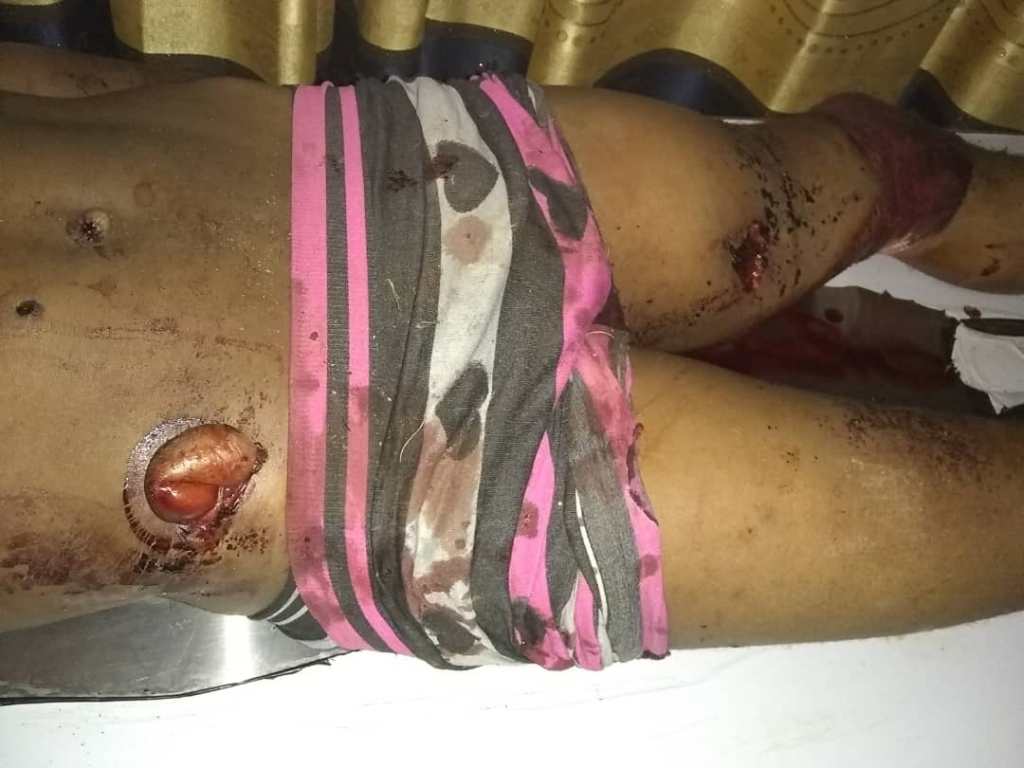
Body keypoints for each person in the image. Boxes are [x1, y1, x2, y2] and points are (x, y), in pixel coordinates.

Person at [1, 43, 1022, 670]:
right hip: (387, 493)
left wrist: (219, 111)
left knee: (881, 175)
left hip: (371, 163)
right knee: (964, 511)